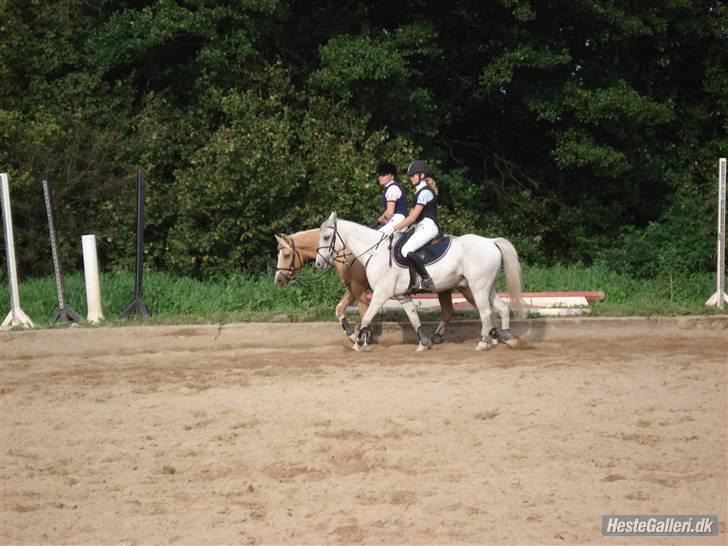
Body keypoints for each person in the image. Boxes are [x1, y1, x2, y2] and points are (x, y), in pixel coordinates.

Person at [391, 159, 439, 290]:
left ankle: (425, 278)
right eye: (410, 176)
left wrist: (394, 228)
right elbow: (410, 217)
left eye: (413, 175)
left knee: (406, 249)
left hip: (428, 227)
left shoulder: (425, 192)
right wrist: (400, 228)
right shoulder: (418, 192)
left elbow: (412, 218)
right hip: (420, 227)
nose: (411, 178)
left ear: (421, 175)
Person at [374, 161, 408, 234]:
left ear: (391, 176)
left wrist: (377, 222)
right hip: (394, 219)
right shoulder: (389, 188)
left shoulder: (392, 188)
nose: (380, 177)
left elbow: (389, 213)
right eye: (379, 175)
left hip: (398, 220)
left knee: (378, 237)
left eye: (383, 175)